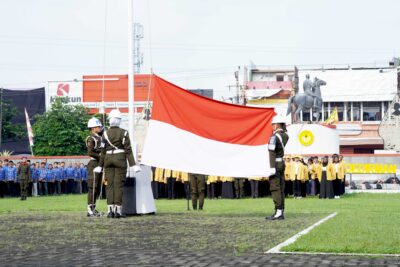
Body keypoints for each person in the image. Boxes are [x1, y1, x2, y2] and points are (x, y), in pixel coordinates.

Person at [97, 109, 139, 218]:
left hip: (108, 160)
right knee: (118, 185)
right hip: (120, 159)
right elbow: (128, 150)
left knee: (109, 186)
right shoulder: (124, 133)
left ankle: (110, 209)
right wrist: (133, 165)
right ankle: (118, 210)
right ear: (119, 120)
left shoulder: (104, 134)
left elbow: (102, 151)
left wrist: (100, 166)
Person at [266, 115, 289, 220]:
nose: (272, 126)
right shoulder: (285, 135)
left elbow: (271, 153)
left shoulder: (274, 137)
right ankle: (281, 210)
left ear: (276, 125)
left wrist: (271, 167)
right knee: (281, 188)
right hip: (281, 163)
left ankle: (278, 211)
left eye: (272, 124)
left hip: (275, 164)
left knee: (275, 187)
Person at [86, 117, 104, 217]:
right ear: (93, 128)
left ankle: (93, 207)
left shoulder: (99, 137)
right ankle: (89, 208)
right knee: (93, 187)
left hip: (99, 164)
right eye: (98, 126)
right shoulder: (91, 138)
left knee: (97, 188)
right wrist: (100, 156)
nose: (100, 127)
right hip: (93, 164)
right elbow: (90, 152)